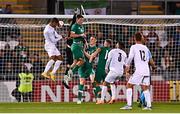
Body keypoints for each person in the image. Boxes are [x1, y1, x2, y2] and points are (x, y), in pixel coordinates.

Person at [120, 32, 156, 110]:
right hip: (146, 70)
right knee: (145, 88)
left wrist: (127, 66)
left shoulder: (133, 47)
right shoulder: (146, 48)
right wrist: (153, 66)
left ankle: (129, 105)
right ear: (141, 38)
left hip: (139, 70)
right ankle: (149, 106)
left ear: (134, 38)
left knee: (129, 85)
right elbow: (150, 60)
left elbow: (130, 58)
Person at [63, 14, 86, 85]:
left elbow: (81, 36)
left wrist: (84, 38)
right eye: (81, 20)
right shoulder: (74, 26)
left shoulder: (81, 26)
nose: (82, 21)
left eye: (83, 20)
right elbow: (71, 35)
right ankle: (69, 76)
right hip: (75, 46)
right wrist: (80, 35)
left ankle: (66, 76)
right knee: (82, 61)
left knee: (75, 62)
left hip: (80, 46)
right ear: (77, 19)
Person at [76, 36, 97, 104]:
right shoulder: (86, 46)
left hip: (89, 67)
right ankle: (79, 99)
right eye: (90, 39)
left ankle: (97, 98)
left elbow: (90, 57)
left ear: (95, 40)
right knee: (82, 81)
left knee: (93, 81)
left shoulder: (96, 49)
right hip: (82, 66)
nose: (91, 40)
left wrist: (84, 51)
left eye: (92, 39)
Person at [89, 39, 112, 104]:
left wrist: (90, 60)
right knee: (107, 84)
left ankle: (99, 99)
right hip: (107, 69)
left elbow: (94, 54)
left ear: (106, 43)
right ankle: (112, 97)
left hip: (100, 68)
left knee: (95, 83)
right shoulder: (111, 51)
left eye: (104, 43)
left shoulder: (101, 48)